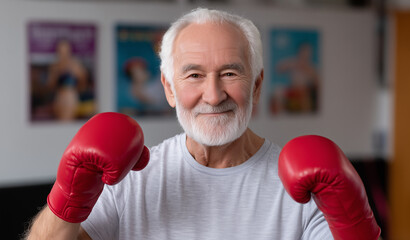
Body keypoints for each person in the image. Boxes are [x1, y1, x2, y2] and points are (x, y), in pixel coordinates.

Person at [25, 8, 380, 240]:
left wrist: (357, 226)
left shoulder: (305, 189)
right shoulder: (129, 179)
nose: (213, 95)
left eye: (229, 73)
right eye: (194, 75)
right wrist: (69, 194)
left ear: (256, 85)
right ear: (168, 88)